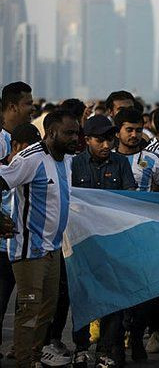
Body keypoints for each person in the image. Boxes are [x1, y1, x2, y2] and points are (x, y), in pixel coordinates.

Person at [0, 110, 79, 368]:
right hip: (29, 251)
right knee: (29, 313)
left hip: (53, 250)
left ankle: (34, 357)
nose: (74, 138)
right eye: (69, 133)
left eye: (76, 132)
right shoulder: (29, 159)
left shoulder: (66, 159)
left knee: (47, 312)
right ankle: (23, 361)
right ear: (52, 132)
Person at [70, 114, 137, 367]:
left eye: (109, 139)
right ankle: (81, 348)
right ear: (87, 140)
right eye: (100, 140)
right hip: (83, 243)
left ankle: (107, 349)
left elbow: (130, 197)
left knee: (114, 297)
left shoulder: (121, 163)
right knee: (82, 296)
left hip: (114, 241)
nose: (106, 145)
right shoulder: (74, 165)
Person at [0, 124, 45, 362]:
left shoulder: (31, 168)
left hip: (26, 249)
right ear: (16, 146)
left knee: (26, 306)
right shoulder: (9, 170)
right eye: (27, 149)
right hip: (4, 250)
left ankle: (20, 349)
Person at [115, 108, 159, 192]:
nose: (134, 135)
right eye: (129, 130)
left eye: (138, 130)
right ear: (117, 133)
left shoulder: (152, 158)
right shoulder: (108, 157)